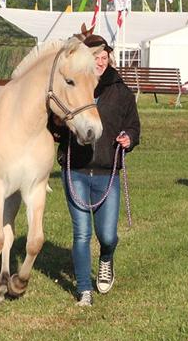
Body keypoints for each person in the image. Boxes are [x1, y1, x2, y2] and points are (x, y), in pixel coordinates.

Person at [57, 35, 141, 307]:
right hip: (76, 170)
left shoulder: (121, 92)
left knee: (107, 235)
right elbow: (56, 122)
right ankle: (83, 290)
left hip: (107, 172)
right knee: (81, 233)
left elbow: (134, 125)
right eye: (95, 58)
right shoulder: (73, 87)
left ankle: (106, 258)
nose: (100, 62)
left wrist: (129, 137)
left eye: (104, 58)